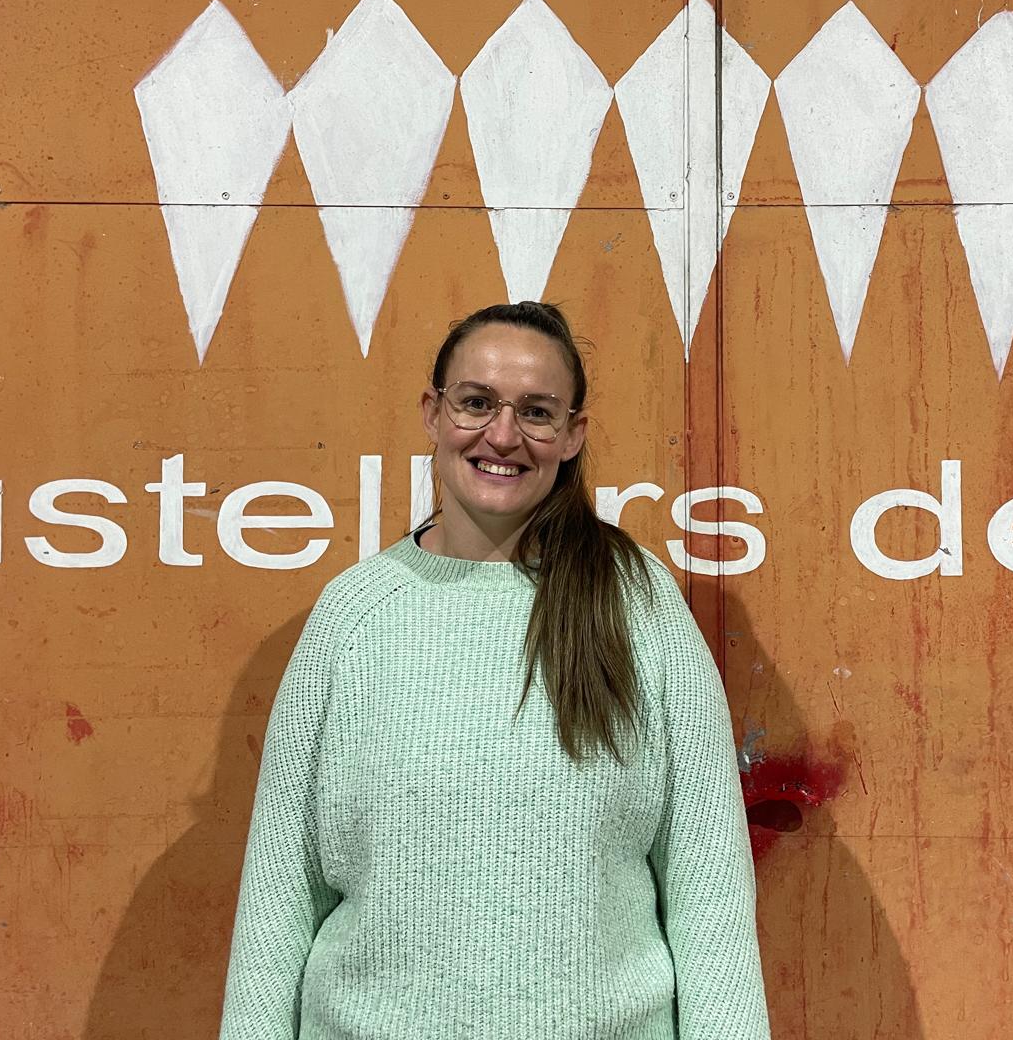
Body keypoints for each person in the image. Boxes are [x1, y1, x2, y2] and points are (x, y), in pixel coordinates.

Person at [219, 301, 770, 1039]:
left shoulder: (637, 605)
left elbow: (710, 890)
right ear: (432, 412)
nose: (502, 436)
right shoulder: (352, 617)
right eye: (476, 402)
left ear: (573, 434)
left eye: (537, 412)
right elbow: (278, 895)